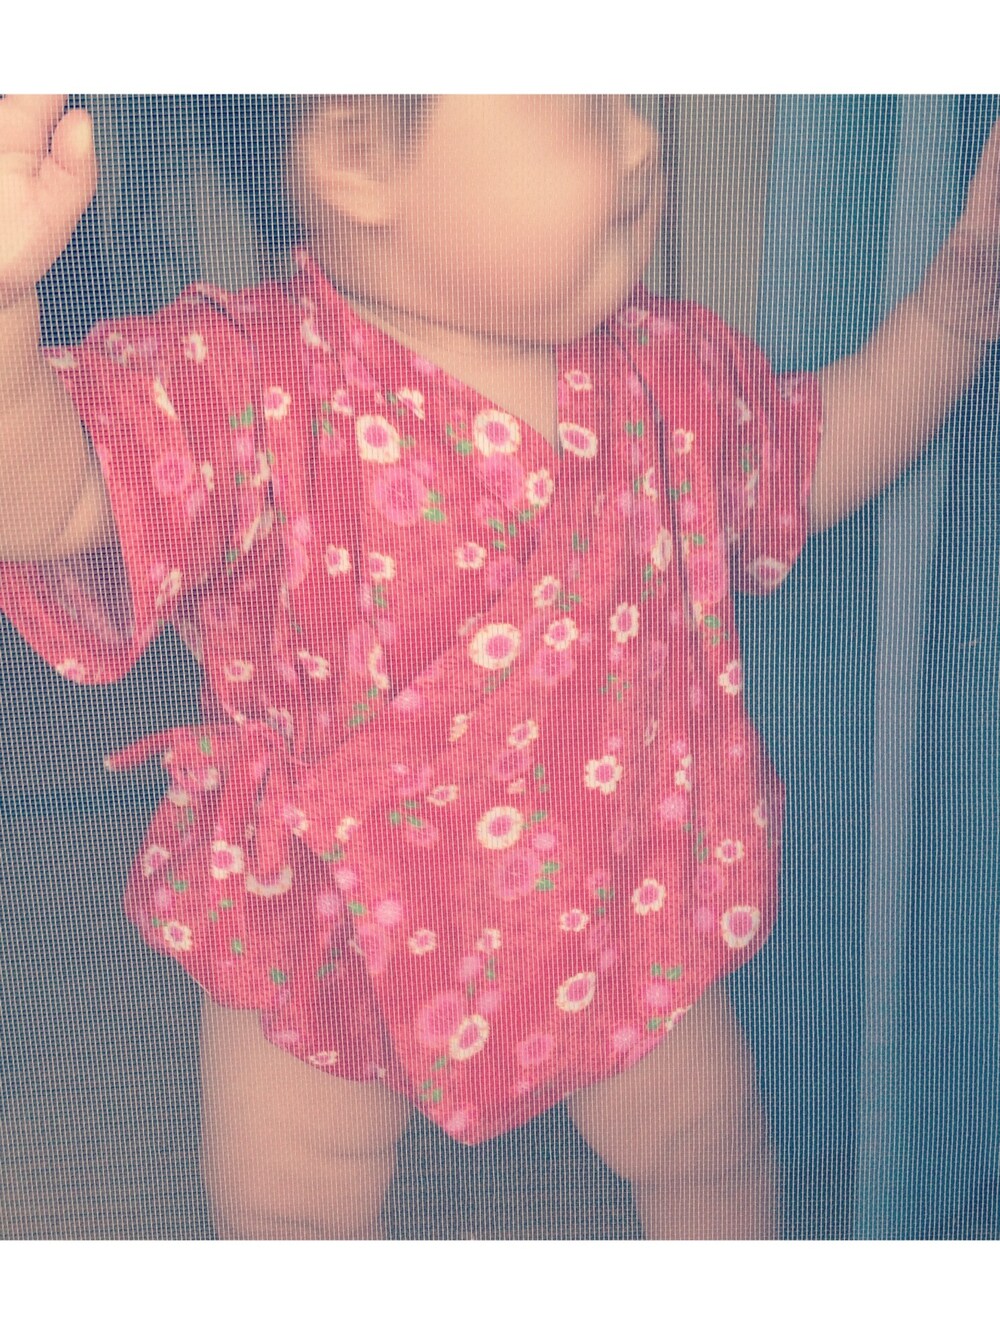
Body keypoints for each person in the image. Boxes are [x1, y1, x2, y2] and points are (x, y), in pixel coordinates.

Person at [0, 94, 997, 1241]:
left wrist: (959, 297)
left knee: (710, 1151)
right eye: (581, 106)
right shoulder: (242, 385)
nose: (639, 140)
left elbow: (811, 454)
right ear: (358, 154)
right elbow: (54, 498)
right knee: (289, 1213)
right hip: (331, 919)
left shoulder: (665, 374)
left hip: (612, 895)